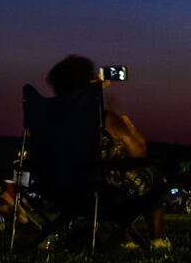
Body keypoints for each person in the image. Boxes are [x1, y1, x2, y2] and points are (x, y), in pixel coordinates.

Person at [46, 56, 166, 248]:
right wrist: (117, 115)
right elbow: (139, 152)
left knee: (110, 178)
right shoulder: (104, 118)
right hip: (101, 191)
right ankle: (158, 240)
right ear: (89, 83)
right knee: (151, 175)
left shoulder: (48, 120)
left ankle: (124, 238)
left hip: (58, 191)